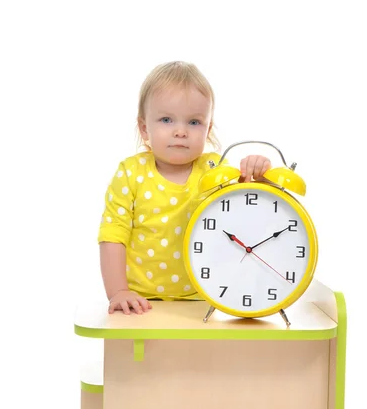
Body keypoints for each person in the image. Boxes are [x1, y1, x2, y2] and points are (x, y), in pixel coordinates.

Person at [98, 61, 271, 314]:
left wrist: (258, 175)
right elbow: (113, 234)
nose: (180, 131)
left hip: (205, 299)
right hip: (140, 301)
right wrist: (119, 292)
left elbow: (245, 210)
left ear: (208, 128)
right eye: (166, 119)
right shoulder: (131, 173)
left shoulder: (213, 169)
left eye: (194, 122)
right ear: (145, 127)